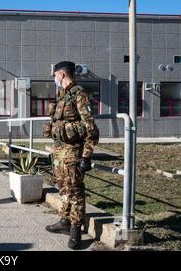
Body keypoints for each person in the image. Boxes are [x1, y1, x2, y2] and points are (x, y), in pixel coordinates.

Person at [44, 61, 100, 250]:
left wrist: (86, 156)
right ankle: (65, 221)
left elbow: (90, 127)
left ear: (61, 74)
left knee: (75, 190)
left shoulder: (79, 94)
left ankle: (76, 230)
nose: (54, 79)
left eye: (55, 76)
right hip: (60, 151)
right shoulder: (62, 96)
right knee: (62, 187)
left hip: (73, 151)